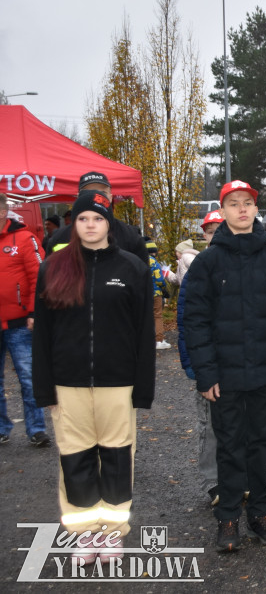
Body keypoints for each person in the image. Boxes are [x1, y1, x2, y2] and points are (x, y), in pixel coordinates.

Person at [32, 190, 155, 563]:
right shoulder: (53, 268)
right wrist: (44, 387)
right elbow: (42, 334)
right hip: (67, 384)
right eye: (83, 218)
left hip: (118, 383)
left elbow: (143, 333)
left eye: (98, 219)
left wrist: (143, 389)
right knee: (75, 457)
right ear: (74, 223)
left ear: (108, 224)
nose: (90, 225)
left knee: (118, 458)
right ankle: (85, 533)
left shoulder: (132, 268)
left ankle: (112, 533)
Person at [183, 180, 266, 552]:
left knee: (260, 446)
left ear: (255, 208)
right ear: (224, 210)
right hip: (226, 376)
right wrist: (206, 372)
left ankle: (260, 513)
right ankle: (229, 517)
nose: (242, 210)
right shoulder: (208, 262)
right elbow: (196, 322)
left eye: (248, 203)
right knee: (230, 447)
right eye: (234, 204)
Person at [176, 210, 223, 508]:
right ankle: (214, 482)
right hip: (208, 365)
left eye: (221, 228)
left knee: (240, 425)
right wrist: (192, 366)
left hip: (238, 365)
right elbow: (186, 322)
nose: (215, 235)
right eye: (210, 231)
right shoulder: (197, 271)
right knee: (210, 426)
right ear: (203, 236)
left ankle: (239, 478)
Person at [0, 193, 49, 447]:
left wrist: (33, 312)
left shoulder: (25, 238)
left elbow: (38, 278)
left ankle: (37, 428)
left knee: (29, 378)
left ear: (3, 211)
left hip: (19, 324)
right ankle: (1, 427)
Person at [45, 172, 148, 265]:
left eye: (102, 192)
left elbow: (142, 279)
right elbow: (47, 278)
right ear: (78, 197)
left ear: (111, 197)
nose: (96, 196)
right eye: (88, 192)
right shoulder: (59, 237)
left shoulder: (131, 237)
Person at [146, 239, 171, 350]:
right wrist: (164, 289)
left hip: (144, 293)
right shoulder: (153, 262)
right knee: (157, 315)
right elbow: (159, 279)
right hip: (155, 293)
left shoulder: (139, 259)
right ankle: (159, 340)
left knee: (147, 316)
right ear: (154, 251)